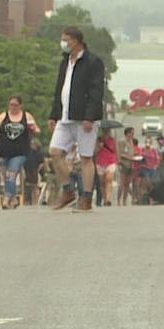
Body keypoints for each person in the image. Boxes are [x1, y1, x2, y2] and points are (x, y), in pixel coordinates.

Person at [48, 26, 106, 212]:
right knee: (55, 152)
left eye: (66, 39)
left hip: (84, 118)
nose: (64, 43)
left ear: (76, 41)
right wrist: (53, 114)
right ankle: (68, 190)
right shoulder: (65, 61)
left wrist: (90, 116)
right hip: (65, 117)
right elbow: (59, 89)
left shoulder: (92, 62)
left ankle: (86, 197)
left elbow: (96, 91)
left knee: (86, 158)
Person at [0, 96, 39, 210]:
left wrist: (33, 129)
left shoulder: (26, 116)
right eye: (11, 104)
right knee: (5, 175)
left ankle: (6, 198)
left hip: (20, 151)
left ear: (20, 106)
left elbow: (37, 129)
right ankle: (14, 198)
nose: (13, 107)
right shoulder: (3, 116)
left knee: (12, 173)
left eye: (15, 105)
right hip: (4, 151)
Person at [94, 129, 119, 206]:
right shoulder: (98, 140)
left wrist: (118, 161)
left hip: (110, 161)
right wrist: (99, 147)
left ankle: (108, 199)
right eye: (105, 132)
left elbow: (116, 151)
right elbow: (94, 152)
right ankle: (104, 198)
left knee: (109, 179)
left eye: (108, 132)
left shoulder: (113, 140)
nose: (106, 133)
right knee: (102, 182)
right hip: (100, 162)